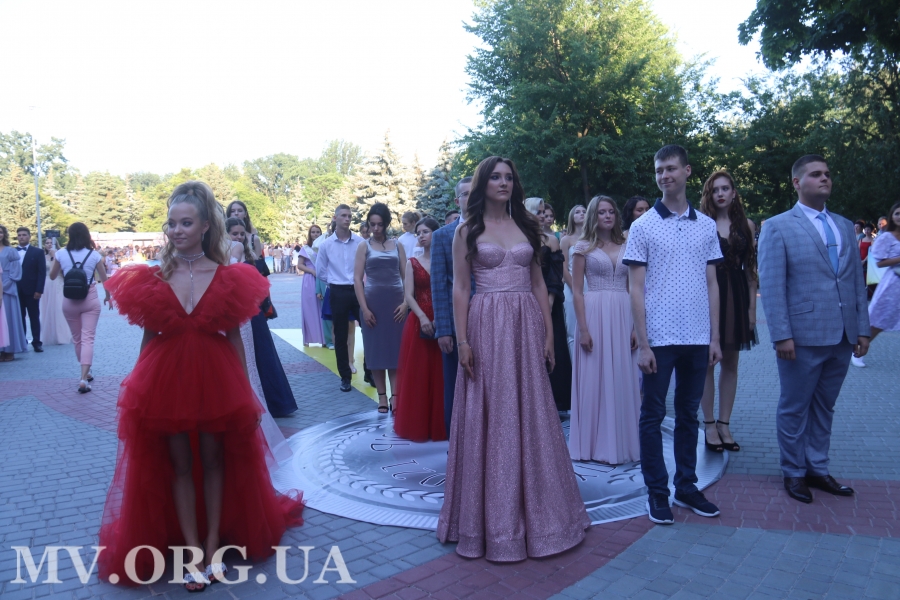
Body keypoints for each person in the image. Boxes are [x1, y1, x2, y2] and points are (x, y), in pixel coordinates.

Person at [99, 182, 303, 589]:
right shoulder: (155, 277)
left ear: (206, 225)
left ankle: (212, 548)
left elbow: (234, 338)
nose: (176, 231)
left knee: (213, 462)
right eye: (171, 223)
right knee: (179, 465)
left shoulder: (229, 277)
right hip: (166, 382)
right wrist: (139, 391)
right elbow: (149, 339)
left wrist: (245, 393)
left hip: (217, 381)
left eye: (186, 223)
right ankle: (192, 553)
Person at [437, 156, 589, 561]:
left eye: (508, 177)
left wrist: (549, 334)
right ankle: (490, 526)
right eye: (495, 177)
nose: (503, 183)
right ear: (483, 183)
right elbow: (460, 288)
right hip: (485, 325)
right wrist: (463, 340)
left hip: (525, 323)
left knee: (532, 412)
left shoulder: (527, 226)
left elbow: (538, 282)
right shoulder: (467, 230)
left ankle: (544, 518)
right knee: (490, 414)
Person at [758, 154, 870, 505]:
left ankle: (817, 469)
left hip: (843, 336)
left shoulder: (844, 225)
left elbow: (855, 282)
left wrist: (862, 329)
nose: (825, 179)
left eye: (827, 174)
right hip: (801, 337)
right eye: (816, 174)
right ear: (797, 183)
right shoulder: (778, 226)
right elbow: (772, 286)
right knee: (795, 407)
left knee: (824, 407)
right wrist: (781, 335)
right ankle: (793, 472)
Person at [623, 144, 724, 525]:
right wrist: (643, 343)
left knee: (688, 415)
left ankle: (686, 486)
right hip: (659, 339)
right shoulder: (643, 226)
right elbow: (635, 288)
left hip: (697, 338)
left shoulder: (706, 225)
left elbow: (712, 284)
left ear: (687, 171)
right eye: (659, 170)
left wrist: (714, 338)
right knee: (652, 416)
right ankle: (657, 492)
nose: (664, 175)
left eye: (670, 168)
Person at [569, 195, 641, 463]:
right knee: (594, 379)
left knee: (623, 376)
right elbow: (577, 292)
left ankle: (623, 443)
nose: (608, 216)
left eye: (611, 211)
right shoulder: (582, 248)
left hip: (623, 314)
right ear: (593, 216)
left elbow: (633, 288)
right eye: (601, 212)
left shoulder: (627, 244)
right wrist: (583, 329)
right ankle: (593, 445)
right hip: (594, 314)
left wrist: (636, 328)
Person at [698, 171, 759, 453]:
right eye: (715, 190)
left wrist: (751, 310)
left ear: (734, 193)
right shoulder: (701, 224)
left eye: (725, 188)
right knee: (707, 364)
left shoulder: (746, 225)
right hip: (707, 295)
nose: (720, 194)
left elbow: (751, 271)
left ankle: (724, 424)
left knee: (731, 364)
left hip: (736, 295)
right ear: (709, 195)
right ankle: (709, 424)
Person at [226, 218, 293, 467]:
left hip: (245, 315)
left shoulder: (243, 252)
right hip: (231, 316)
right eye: (234, 233)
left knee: (250, 367)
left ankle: (256, 419)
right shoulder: (219, 252)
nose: (238, 237)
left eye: (241, 233)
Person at [394, 216, 445, 440]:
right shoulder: (412, 262)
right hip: (419, 321)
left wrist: (442, 317)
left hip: (443, 320)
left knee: (441, 374)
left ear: (436, 233)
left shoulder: (447, 261)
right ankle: (418, 424)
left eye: (426, 232)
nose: (421, 236)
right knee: (420, 373)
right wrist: (423, 317)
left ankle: (441, 424)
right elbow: (408, 295)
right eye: (419, 233)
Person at [354, 203, 408, 412]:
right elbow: (357, 279)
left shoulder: (398, 245)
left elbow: (406, 276)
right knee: (375, 352)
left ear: (386, 224)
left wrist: (406, 303)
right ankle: (382, 397)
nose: (375, 228)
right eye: (372, 224)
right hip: (372, 303)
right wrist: (364, 309)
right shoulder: (363, 246)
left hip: (396, 304)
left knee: (395, 351)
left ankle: (396, 396)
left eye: (379, 224)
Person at [431, 177, 472, 434]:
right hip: (456, 325)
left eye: (475, 192)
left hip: (491, 318)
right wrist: (444, 329)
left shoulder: (494, 231)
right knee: (456, 386)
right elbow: (439, 285)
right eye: (465, 194)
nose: (471, 197)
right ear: (457, 201)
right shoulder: (442, 236)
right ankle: (456, 442)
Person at [49, 223, 110, 392]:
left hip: (69, 300)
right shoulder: (94, 255)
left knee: (77, 339)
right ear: (86, 235)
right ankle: (84, 378)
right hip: (90, 298)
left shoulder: (61, 253)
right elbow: (104, 278)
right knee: (88, 338)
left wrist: (55, 258)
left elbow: (52, 276)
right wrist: (108, 296)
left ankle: (86, 372)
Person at [525, 197, 571, 413]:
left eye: (544, 212)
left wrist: (549, 302)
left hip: (549, 301)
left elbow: (556, 276)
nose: (542, 216)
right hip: (524, 300)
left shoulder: (551, 240)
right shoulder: (519, 238)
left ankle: (555, 403)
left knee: (553, 348)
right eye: (538, 212)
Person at [316, 205, 365, 392]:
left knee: (368, 329)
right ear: (335, 218)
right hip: (338, 291)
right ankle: (345, 377)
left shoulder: (360, 242)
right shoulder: (326, 245)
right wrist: (334, 282)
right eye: (343, 215)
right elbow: (320, 270)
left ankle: (370, 371)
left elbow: (368, 266)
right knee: (341, 335)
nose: (347, 219)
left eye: (349, 216)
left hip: (358, 289)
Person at [858, 201, 900, 365]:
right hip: (893, 283)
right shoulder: (887, 237)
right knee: (878, 320)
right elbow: (879, 262)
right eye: (897, 213)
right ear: (892, 216)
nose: (899, 217)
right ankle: (858, 351)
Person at [560, 204, 586, 360]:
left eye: (584, 211)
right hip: (571, 287)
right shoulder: (566, 240)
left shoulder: (594, 238)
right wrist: (575, 288)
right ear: (572, 217)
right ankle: (575, 365)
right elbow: (563, 268)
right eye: (577, 212)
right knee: (572, 328)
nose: (581, 214)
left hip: (592, 285)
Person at [16, 227, 46, 352]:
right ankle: (21, 342)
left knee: (34, 316)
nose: (21, 237)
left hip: (32, 290)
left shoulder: (38, 252)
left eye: (24, 235)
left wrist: (39, 290)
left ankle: (37, 342)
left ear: (29, 236)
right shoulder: (12, 252)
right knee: (19, 317)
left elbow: (41, 272)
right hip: (16, 290)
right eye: (19, 235)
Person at [0, 225, 28, 361]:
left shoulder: (10, 251)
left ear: (4, 234)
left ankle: (10, 350)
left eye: (0, 232)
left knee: (9, 318)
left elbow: (16, 273)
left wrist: (3, 286)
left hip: (8, 288)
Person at [40, 237, 71, 345]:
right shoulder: (43, 256)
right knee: (47, 309)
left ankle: (62, 335)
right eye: (47, 243)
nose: (49, 244)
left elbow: (60, 269)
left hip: (58, 282)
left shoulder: (61, 255)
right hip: (46, 284)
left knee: (59, 308)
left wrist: (54, 257)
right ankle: (50, 334)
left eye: (51, 243)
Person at [298, 226, 325, 346]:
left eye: (318, 232)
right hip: (310, 279)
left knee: (323, 308)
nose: (315, 234)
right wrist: (312, 271)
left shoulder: (324, 246)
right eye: (313, 232)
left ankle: (325, 338)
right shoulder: (306, 248)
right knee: (310, 309)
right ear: (309, 234)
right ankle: (309, 338)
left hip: (322, 279)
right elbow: (300, 265)